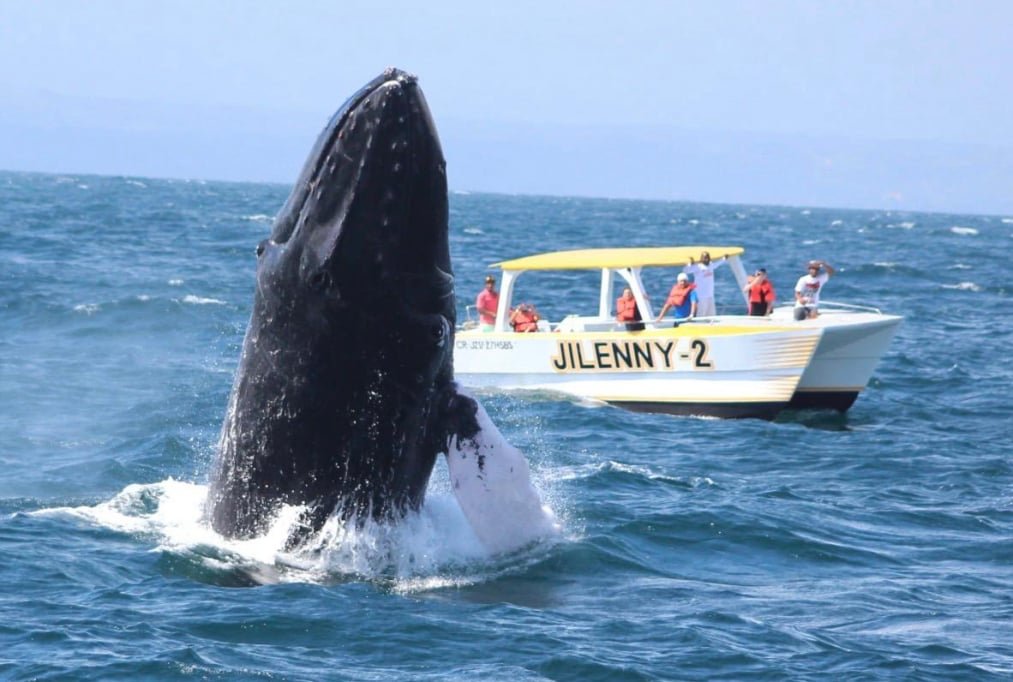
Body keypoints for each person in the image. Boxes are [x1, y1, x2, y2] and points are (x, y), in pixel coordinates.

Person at [682, 250, 726, 317]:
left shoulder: (711, 265)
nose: (706, 259)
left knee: (712, 316)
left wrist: (724, 259)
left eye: (707, 257)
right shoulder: (698, 267)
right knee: (701, 315)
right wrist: (690, 264)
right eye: (704, 257)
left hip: (710, 295)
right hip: (701, 296)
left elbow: (717, 264)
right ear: (701, 258)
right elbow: (686, 270)